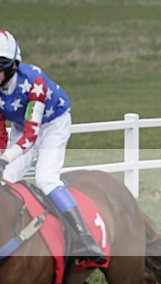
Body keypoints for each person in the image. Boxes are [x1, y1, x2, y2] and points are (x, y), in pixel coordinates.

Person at [0, 30, 106, 264]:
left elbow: (32, 136)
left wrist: (5, 158)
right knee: (3, 179)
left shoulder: (34, 82)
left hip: (52, 125)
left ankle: (84, 239)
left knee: (46, 179)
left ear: (11, 66)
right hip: (22, 126)